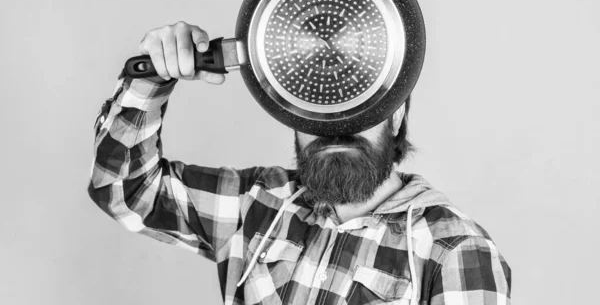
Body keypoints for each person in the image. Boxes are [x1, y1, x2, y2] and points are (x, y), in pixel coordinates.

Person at [89, 21, 511, 305]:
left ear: (397, 113)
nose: (336, 128)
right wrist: (151, 76)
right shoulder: (259, 205)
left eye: (358, 106)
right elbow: (126, 191)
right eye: (318, 105)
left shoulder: (455, 251)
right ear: (290, 114)